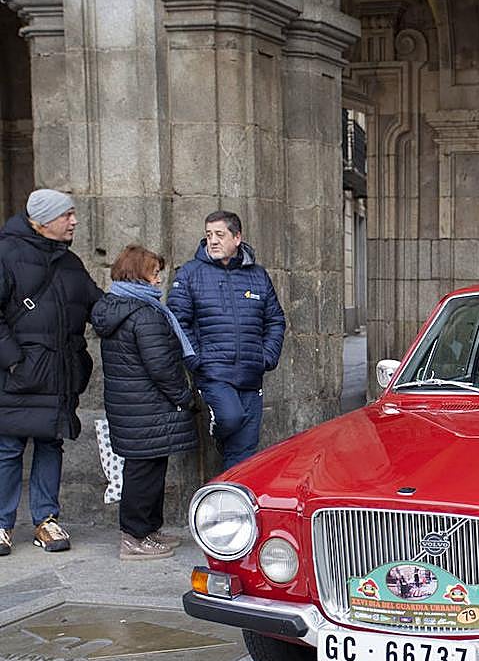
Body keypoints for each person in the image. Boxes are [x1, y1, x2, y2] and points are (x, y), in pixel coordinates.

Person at [0, 189, 102, 557]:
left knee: (50, 443)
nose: (74, 221)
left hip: (58, 374)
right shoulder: (6, 253)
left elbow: (97, 304)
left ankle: (46, 519)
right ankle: (1, 523)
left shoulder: (69, 261)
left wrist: (136, 306)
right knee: (8, 448)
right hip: (18, 375)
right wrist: (14, 359)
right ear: (41, 221)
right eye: (66, 215)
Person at [91, 245, 198, 560]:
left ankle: (148, 530)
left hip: (133, 406)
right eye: (154, 273)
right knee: (143, 473)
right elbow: (162, 367)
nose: (159, 279)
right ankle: (134, 538)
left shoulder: (120, 307)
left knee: (148, 470)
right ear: (137, 274)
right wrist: (184, 397)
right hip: (147, 407)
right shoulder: (145, 313)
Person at [167, 210, 285, 471]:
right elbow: (177, 321)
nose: (213, 240)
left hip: (251, 373)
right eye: (209, 235)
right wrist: (195, 360)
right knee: (230, 418)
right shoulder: (190, 273)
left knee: (244, 452)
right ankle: (218, 433)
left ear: (237, 237)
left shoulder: (258, 275)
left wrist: (267, 356)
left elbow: (275, 320)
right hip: (214, 373)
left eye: (220, 235)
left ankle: (229, 496)